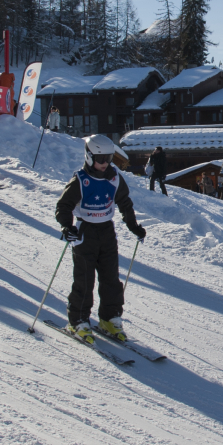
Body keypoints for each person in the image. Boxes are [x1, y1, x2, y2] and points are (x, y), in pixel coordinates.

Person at [54, 134, 146, 345]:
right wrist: (67, 227)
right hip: (84, 232)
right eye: (100, 158)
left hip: (106, 231)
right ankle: (78, 320)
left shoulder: (114, 178)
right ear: (88, 156)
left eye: (108, 158)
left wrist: (134, 227)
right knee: (84, 279)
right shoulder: (80, 180)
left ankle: (109, 318)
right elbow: (64, 206)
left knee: (111, 278)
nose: (105, 163)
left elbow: (125, 203)